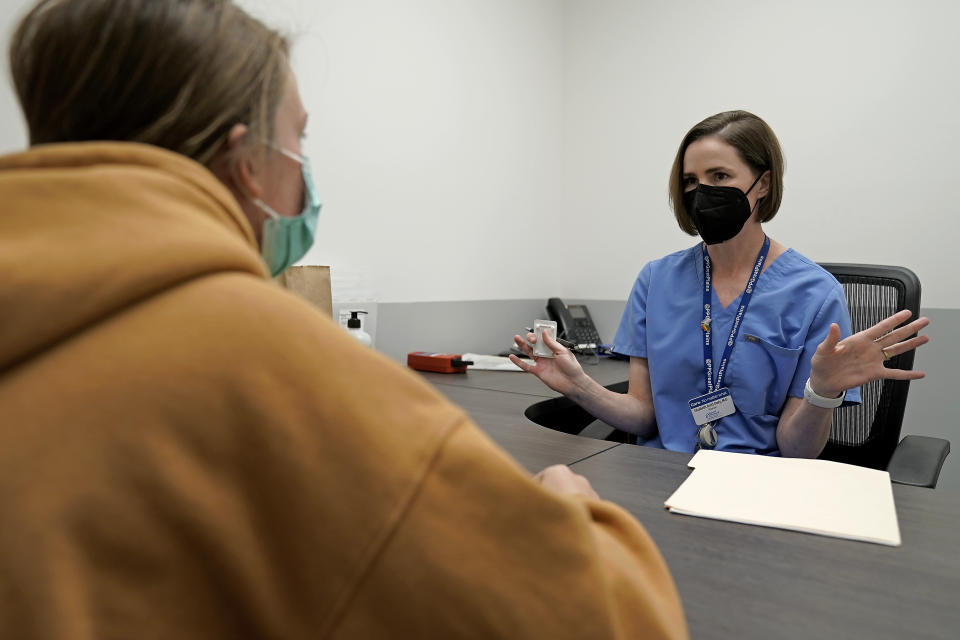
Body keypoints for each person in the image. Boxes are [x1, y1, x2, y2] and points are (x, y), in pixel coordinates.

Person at [0, 1, 688, 638]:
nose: (304, 170)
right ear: (244, 162)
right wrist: (575, 515)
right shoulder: (271, 360)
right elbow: (612, 620)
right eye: (297, 138)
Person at [512, 111, 929, 458]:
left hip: (756, 489)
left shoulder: (815, 294)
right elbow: (642, 416)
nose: (701, 192)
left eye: (720, 176)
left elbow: (797, 451)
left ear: (762, 183)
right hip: (660, 479)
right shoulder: (656, 280)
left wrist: (821, 392)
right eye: (691, 181)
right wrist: (577, 385)